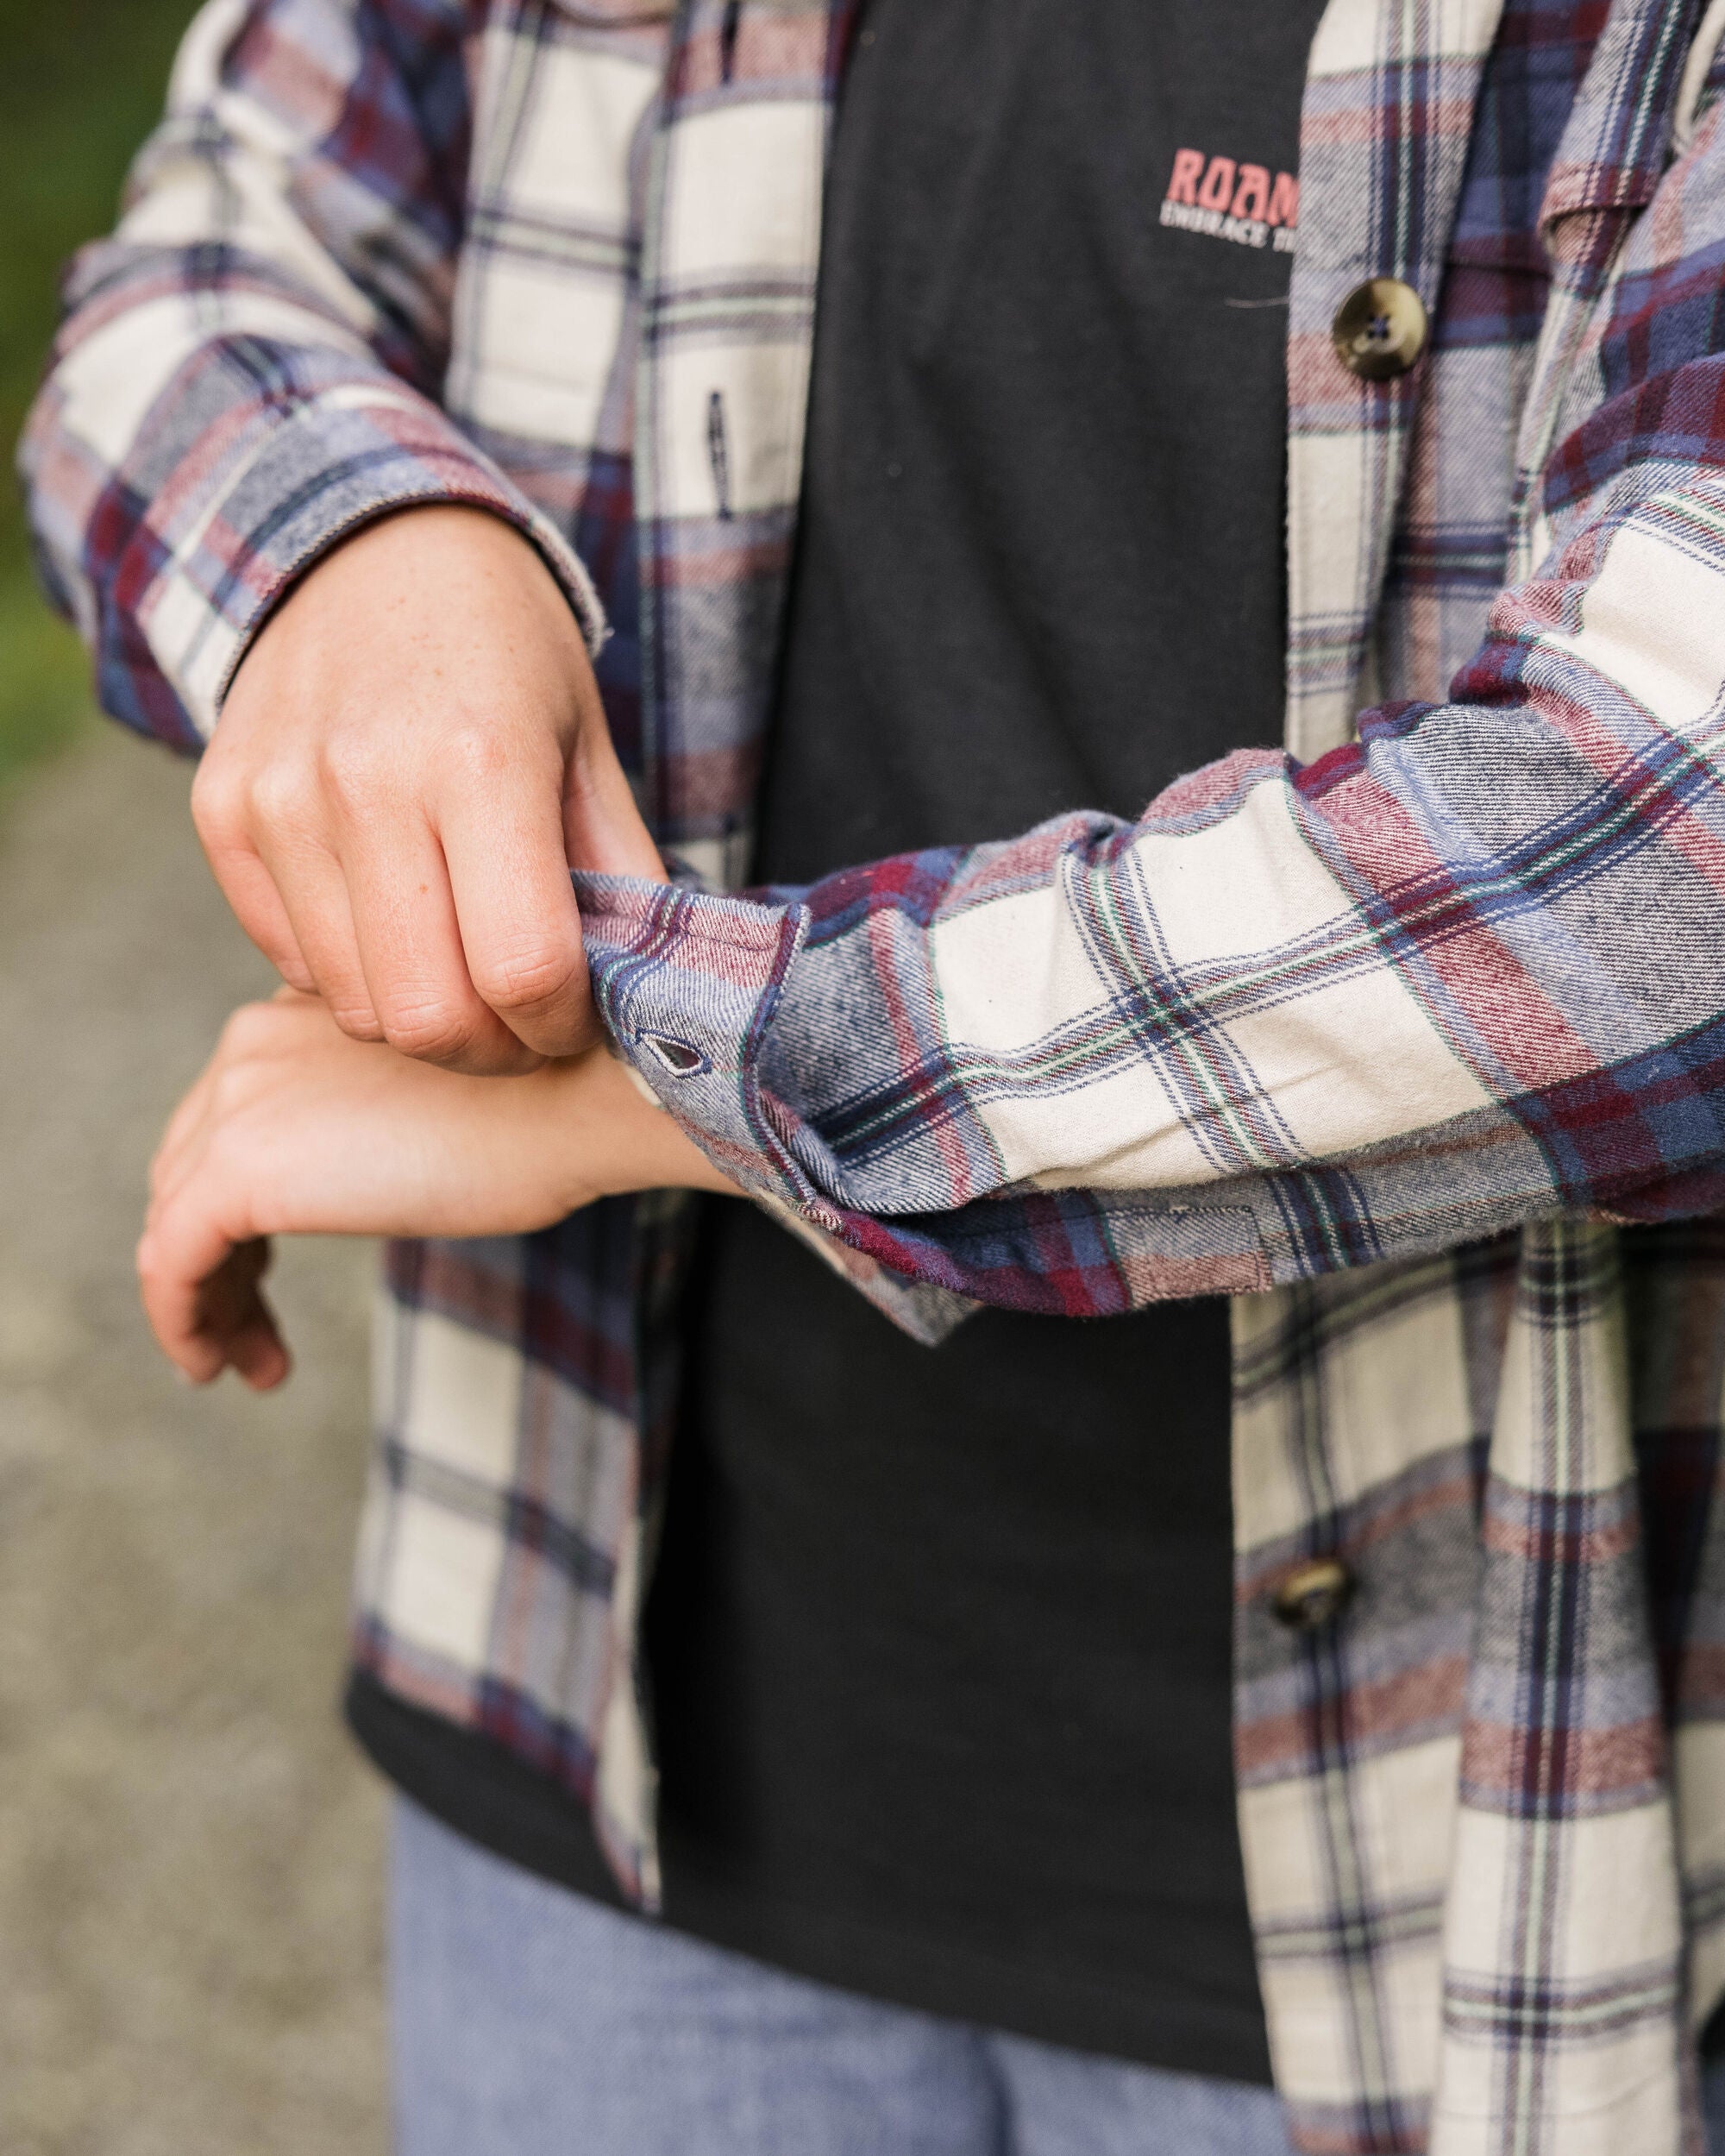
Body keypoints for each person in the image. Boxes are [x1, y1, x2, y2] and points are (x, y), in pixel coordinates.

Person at [24, 0, 1725, 2150]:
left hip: (1443, 1905)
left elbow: (1664, 859)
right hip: (597, 1784)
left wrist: (638, 1063)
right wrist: (349, 550)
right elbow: (210, 249)